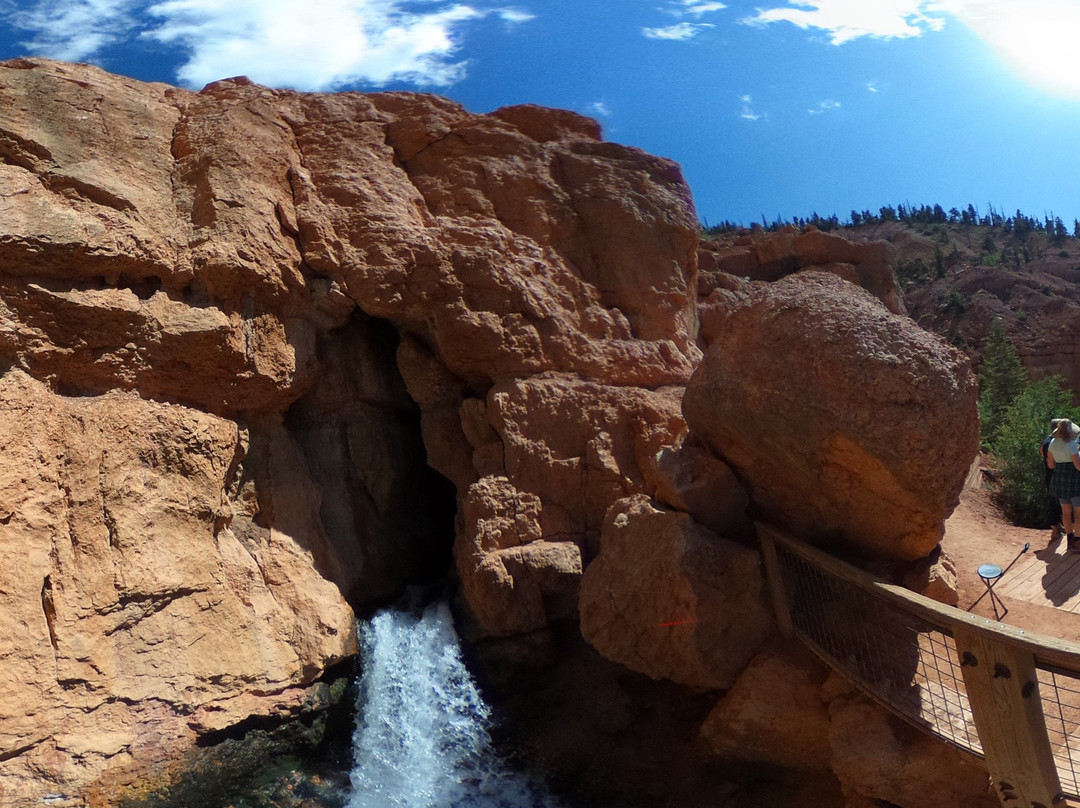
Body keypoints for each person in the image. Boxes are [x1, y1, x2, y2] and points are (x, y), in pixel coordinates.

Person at [1046, 419, 1080, 551]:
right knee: (1078, 512)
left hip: (1059, 479)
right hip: (1073, 480)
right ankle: (1077, 542)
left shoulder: (1053, 443)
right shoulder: (1071, 444)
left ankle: (1070, 540)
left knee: (1065, 511)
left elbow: (1050, 465)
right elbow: (1078, 466)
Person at [1042, 419, 1065, 542]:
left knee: (1055, 503)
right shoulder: (1055, 443)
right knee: (1058, 503)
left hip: (1050, 476)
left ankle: (1057, 528)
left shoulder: (1046, 442)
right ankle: (1057, 529)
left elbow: (1043, 456)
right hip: (1058, 477)